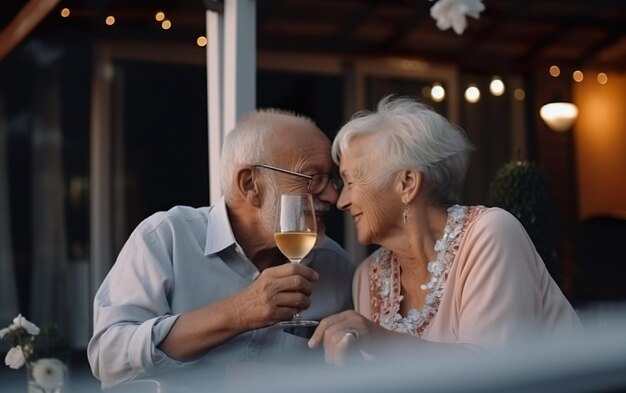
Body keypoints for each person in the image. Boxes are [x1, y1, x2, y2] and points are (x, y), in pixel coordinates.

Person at [87, 109, 355, 389]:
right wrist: (237, 312)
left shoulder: (335, 266)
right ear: (251, 184)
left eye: (332, 179)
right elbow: (107, 358)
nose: (333, 196)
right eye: (311, 179)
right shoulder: (167, 238)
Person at [308, 95, 581, 366]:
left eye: (351, 182)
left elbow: (497, 373)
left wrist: (378, 339)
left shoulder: (490, 233)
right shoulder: (368, 275)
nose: (341, 201)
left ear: (407, 183)